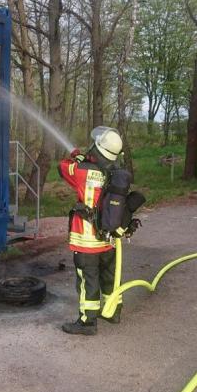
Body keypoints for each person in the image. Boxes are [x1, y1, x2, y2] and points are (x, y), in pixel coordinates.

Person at [57, 127, 124, 335]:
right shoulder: (117, 173)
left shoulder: (82, 171)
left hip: (87, 240)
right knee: (110, 277)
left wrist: (77, 157)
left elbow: (62, 168)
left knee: (88, 280)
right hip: (109, 238)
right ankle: (113, 311)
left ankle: (87, 322)